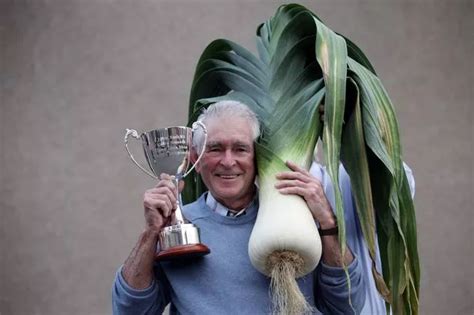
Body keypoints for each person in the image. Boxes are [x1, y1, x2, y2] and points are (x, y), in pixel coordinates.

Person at [112, 100, 367, 314]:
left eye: (240, 149)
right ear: (195, 160)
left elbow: (348, 307)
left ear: (257, 159)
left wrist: (328, 224)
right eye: (215, 148)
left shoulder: (296, 219)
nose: (228, 161)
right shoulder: (175, 228)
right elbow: (129, 310)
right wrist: (150, 234)